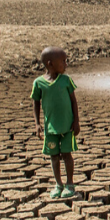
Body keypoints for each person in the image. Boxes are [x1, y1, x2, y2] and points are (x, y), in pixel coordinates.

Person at [31, 46, 80, 198]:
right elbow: (36, 102)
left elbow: (74, 102)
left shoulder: (66, 81)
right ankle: (58, 185)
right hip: (50, 128)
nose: (66, 64)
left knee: (67, 155)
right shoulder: (39, 83)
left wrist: (76, 121)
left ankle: (70, 184)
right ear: (50, 64)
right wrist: (37, 124)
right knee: (54, 156)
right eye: (63, 61)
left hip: (67, 126)